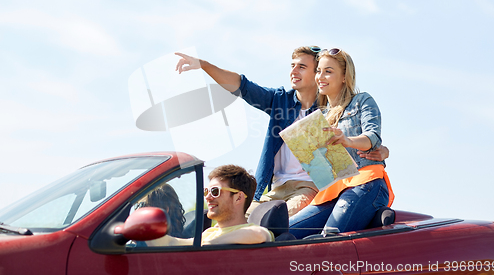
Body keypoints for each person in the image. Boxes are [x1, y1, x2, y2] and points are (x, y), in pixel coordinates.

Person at [175, 47, 390, 216]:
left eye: (302, 67)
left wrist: (383, 150)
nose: (293, 72)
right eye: (292, 65)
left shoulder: (331, 109)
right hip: (274, 188)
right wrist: (203, 65)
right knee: (238, 220)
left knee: (273, 221)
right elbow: (242, 86)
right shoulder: (280, 100)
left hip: (310, 188)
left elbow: (359, 136)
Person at [289, 48, 395, 238]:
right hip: (332, 190)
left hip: (365, 183)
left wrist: (347, 141)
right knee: (285, 232)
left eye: (328, 71)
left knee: (328, 237)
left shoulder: (362, 101)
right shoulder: (319, 116)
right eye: (319, 71)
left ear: (344, 77)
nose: (321, 76)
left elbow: (372, 137)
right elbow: (323, 169)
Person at [146, 164, 274, 246]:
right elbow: (176, 242)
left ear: (238, 197)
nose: (207, 197)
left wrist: (212, 244)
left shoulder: (251, 232)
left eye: (215, 191)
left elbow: (260, 234)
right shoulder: (210, 232)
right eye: (206, 191)